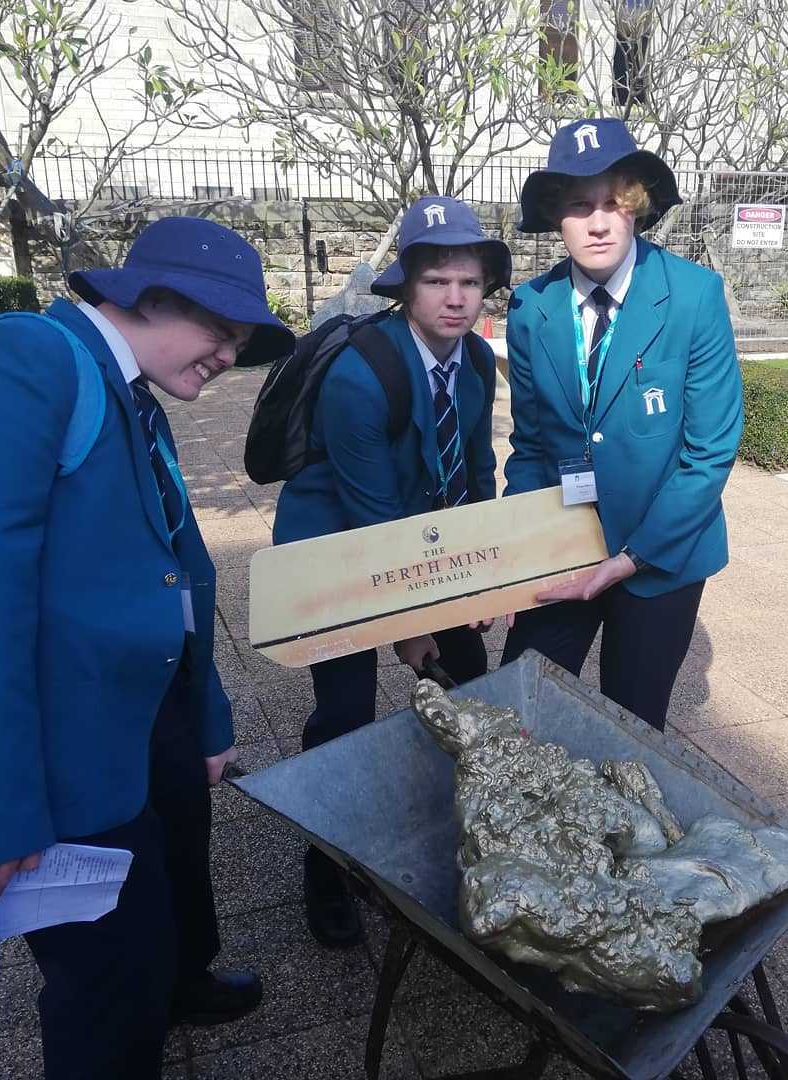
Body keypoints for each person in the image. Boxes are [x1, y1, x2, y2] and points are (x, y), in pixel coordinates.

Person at [0, 216, 295, 1080]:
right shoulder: (29, 359)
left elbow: (180, 564)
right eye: (220, 328)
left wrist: (205, 718)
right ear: (150, 297)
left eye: (241, 341)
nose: (229, 355)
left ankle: (183, 984)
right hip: (69, 740)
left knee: (173, 883)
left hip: (152, 709)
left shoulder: (135, 392)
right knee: (108, 979)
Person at [272, 195, 510, 946]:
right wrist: (408, 628)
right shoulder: (360, 375)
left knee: (468, 676)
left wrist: (479, 578)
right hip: (337, 546)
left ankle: (460, 834)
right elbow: (372, 519)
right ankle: (325, 872)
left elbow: (477, 470)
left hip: (420, 537)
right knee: (344, 716)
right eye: (436, 280)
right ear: (405, 286)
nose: (455, 298)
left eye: (469, 282)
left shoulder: (477, 361)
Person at [500, 118, 744, 732]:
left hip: (660, 556)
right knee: (518, 711)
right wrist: (521, 553)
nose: (599, 222)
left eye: (612, 202)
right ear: (557, 217)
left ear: (635, 206)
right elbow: (530, 445)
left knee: (631, 729)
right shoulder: (530, 308)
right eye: (580, 206)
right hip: (565, 545)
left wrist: (631, 557)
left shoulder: (693, 295)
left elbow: (709, 453)